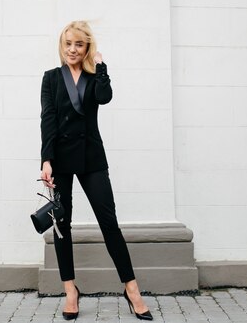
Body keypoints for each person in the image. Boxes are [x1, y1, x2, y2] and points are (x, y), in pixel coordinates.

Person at [39, 21, 153, 321]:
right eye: (67, 44)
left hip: (91, 156)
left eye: (78, 44)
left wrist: (101, 67)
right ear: (61, 46)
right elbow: (48, 119)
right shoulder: (51, 78)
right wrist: (46, 160)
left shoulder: (93, 77)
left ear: (87, 47)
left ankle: (132, 290)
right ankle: (70, 292)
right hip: (60, 160)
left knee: (109, 222)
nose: (72, 50)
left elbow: (105, 98)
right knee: (62, 227)